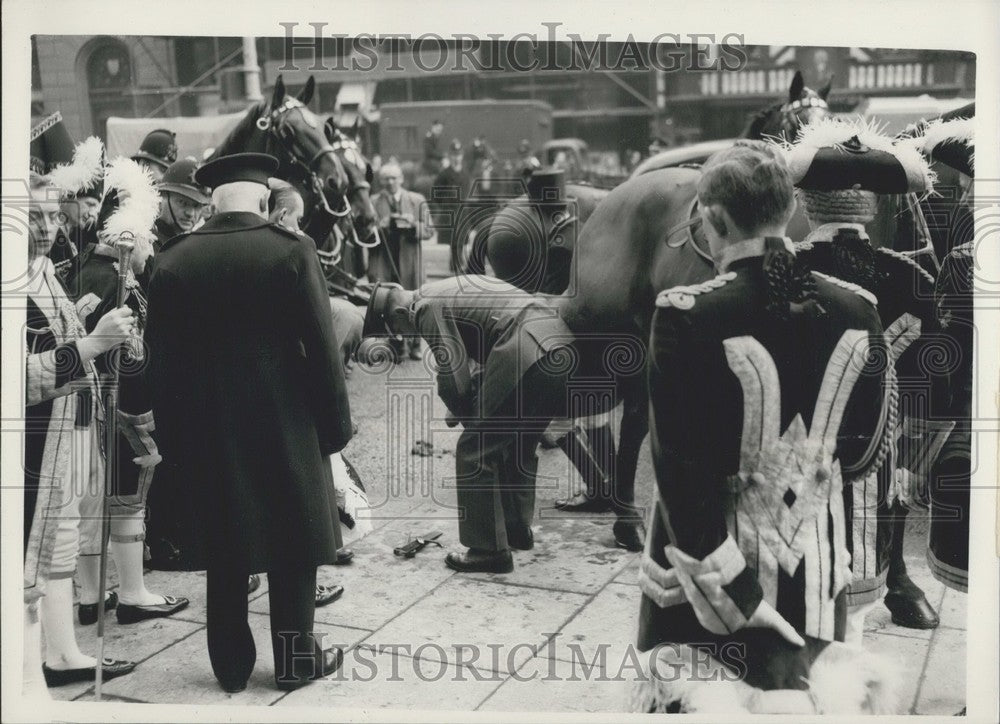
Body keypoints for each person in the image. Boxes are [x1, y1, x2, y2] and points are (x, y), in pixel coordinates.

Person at [633, 141, 896, 713]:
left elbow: (679, 475)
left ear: (716, 219)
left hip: (709, 583)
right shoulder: (859, 309)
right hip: (817, 567)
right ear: (789, 212)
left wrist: (737, 593)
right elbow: (862, 455)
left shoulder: (684, 314)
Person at [145, 153, 353, 693]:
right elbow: (324, 349)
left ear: (211, 203)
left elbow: (160, 363)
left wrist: (173, 440)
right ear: (263, 201)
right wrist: (335, 428)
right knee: (294, 538)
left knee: (225, 536)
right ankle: (294, 660)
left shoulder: (173, 260)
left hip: (208, 424)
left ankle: (231, 666)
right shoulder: (292, 251)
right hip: (286, 415)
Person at [786, 118, 941, 633]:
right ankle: (884, 584)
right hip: (878, 447)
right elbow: (935, 379)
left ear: (806, 205)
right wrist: (909, 456)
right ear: (873, 206)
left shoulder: (779, 273)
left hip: (794, 448)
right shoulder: (912, 277)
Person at [360, 275, 614, 573]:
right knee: (519, 442)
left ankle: (488, 549)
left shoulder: (424, 307)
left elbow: (454, 378)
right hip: (560, 345)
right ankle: (517, 530)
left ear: (400, 314)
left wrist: (469, 417)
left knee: (474, 449)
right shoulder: (444, 288)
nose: (406, 337)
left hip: (525, 347)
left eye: (399, 332)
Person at [64, 157, 190, 626]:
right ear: (130, 234)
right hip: (117, 415)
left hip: (87, 412)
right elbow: (130, 362)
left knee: (95, 508)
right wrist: (145, 420)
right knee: (125, 502)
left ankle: (92, 598)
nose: (152, 244)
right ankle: (133, 593)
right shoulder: (116, 281)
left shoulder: (84, 273)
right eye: (149, 235)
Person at [24, 174, 136, 693]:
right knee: (42, 548)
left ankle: (62, 651)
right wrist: (91, 344)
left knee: (64, 540)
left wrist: (82, 319)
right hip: (34, 441)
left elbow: (51, 341)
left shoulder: (39, 268)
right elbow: (19, 379)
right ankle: (51, 656)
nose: (47, 228)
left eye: (52, 215)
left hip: (65, 428)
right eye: (33, 217)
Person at [371, 162, 433, 360]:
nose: (390, 183)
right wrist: (381, 225)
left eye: (394, 178)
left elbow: (429, 230)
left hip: (411, 261)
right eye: (386, 179)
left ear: (401, 179)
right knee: (390, 301)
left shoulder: (416, 200)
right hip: (386, 260)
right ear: (381, 181)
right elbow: (364, 231)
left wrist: (413, 225)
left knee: (414, 301)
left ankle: (415, 344)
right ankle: (397, 344)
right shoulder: (373, 201)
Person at [45, 137, 105, 284]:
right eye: (90, 204)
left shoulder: (69, 236)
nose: (93, 214)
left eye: (96, 208)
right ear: (70, 196)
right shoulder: (51, 235)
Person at [152, 157, 210, 252]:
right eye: (182, 203)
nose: (190, 213)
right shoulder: (147, 244)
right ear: (162, 197)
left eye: (196, 205)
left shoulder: (193, 246)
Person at [432, 141, 470, 274]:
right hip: (450, 211)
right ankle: (456, 265)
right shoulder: (444, 174)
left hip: (462, 211)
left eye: (458, 155)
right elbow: (436, 193)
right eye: (454, 155)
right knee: (453, 240)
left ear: (462, 156)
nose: (456, 158)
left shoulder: (465, 173)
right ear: (449, 156)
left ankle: (458, 264)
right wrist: (445, 203)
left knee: (461, 239)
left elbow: (467, 191)